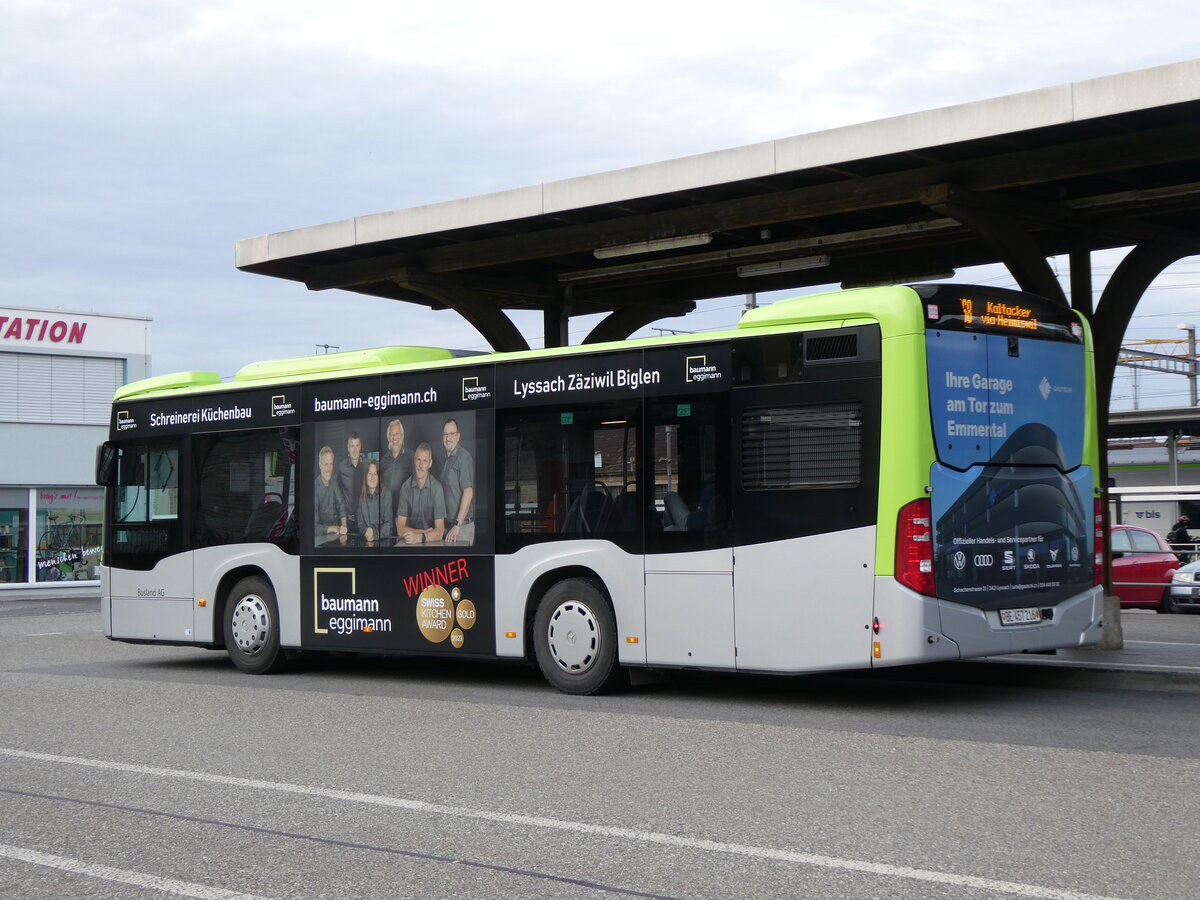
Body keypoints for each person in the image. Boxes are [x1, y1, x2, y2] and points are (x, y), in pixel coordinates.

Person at [395, 442, 447, 545]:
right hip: (409, 539)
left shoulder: (437, 488)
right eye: (418, 460)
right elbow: (400, 530)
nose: (420, 465)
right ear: (414, 461)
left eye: (425, 461)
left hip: (431, 541)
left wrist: (421, 537)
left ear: (430, 464)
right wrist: (423, 533)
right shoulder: (405, 487)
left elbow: (440, 532)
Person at [439, 417, 475, 544]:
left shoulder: (463, 457)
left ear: (458, 436)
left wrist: (457, 525)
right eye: (445, 434)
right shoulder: (445, 459)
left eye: (452, 434)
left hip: (461, 528)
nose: (448, 438)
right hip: (448, 528)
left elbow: (468, 492)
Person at [356, 459, 393, 545]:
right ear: (366, 477)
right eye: (370, 474)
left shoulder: (386, 495)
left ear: (379, 477)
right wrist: (366, 531)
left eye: (375, 474)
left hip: (383, 542)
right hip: (366, 540)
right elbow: (360, 524)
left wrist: (374, 533)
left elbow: (388, 526)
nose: (372, 477)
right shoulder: (362, 496)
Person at [314, 446, 347, 540]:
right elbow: (313, 527)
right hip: (322, 537)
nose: (329, 469)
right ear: (320, 465)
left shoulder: (334, 481)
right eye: (326, 464)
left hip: (338, 533)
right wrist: (333, 528)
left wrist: (344, 526)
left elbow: (341, 505)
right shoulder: (314, 488)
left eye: (331, 464)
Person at [380, 418, 412, 513]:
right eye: (392, 434)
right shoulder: (384, 460)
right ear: (388, 437)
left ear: (402, 435)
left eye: (397, 433)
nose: (394, 437)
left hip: (405, 512)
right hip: (387, 512)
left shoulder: (411, 457)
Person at [336, 432, 367, 528]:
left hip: (366, 522)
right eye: (352, 446)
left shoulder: (368, 465)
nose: (355, 450)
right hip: (347, 522)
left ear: (360, 446)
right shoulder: (341, 467)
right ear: (348, 448)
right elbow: (338, 493)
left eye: (357, 446)